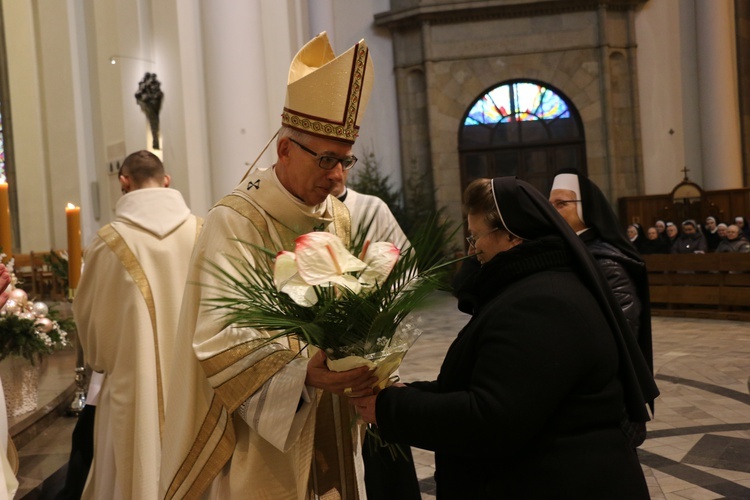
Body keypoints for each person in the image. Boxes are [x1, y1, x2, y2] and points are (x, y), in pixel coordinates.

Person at [159, 32, 378, 499]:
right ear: (284, 151)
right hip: (262, 437)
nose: (338, 177)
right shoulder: (235, 220)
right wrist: (302, 368)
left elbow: (351, 300)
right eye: (326, 159)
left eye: (345, 161)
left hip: (331, 417)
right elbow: (220, 335)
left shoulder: (336, 215)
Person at [353, 177, 658, 498]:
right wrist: (408, 393)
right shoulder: (535, 288)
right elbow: (493, 386)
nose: (471, 249)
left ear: (511, 235)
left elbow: (491, 421)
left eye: (475, 236)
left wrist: (390, 409)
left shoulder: (542, 305)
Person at [72, 150, 201, 499]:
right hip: (199, 389)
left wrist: (104, 360)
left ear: (123, 182)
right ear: (167, 180)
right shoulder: (202, 233)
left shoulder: (108, 243)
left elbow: (94, 338)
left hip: (133, 393)